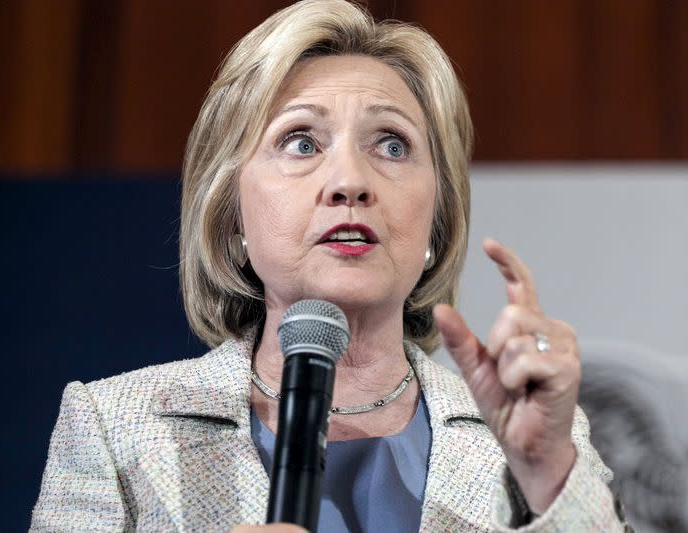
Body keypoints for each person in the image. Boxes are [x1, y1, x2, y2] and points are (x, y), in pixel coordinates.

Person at [31, 1, 631, 531]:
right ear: (231, 213)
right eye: (301, 142)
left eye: (391, 145)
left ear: (437, 218)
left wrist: (549, 479)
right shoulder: (115, 429)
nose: (349, 182)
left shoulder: (538, 443)